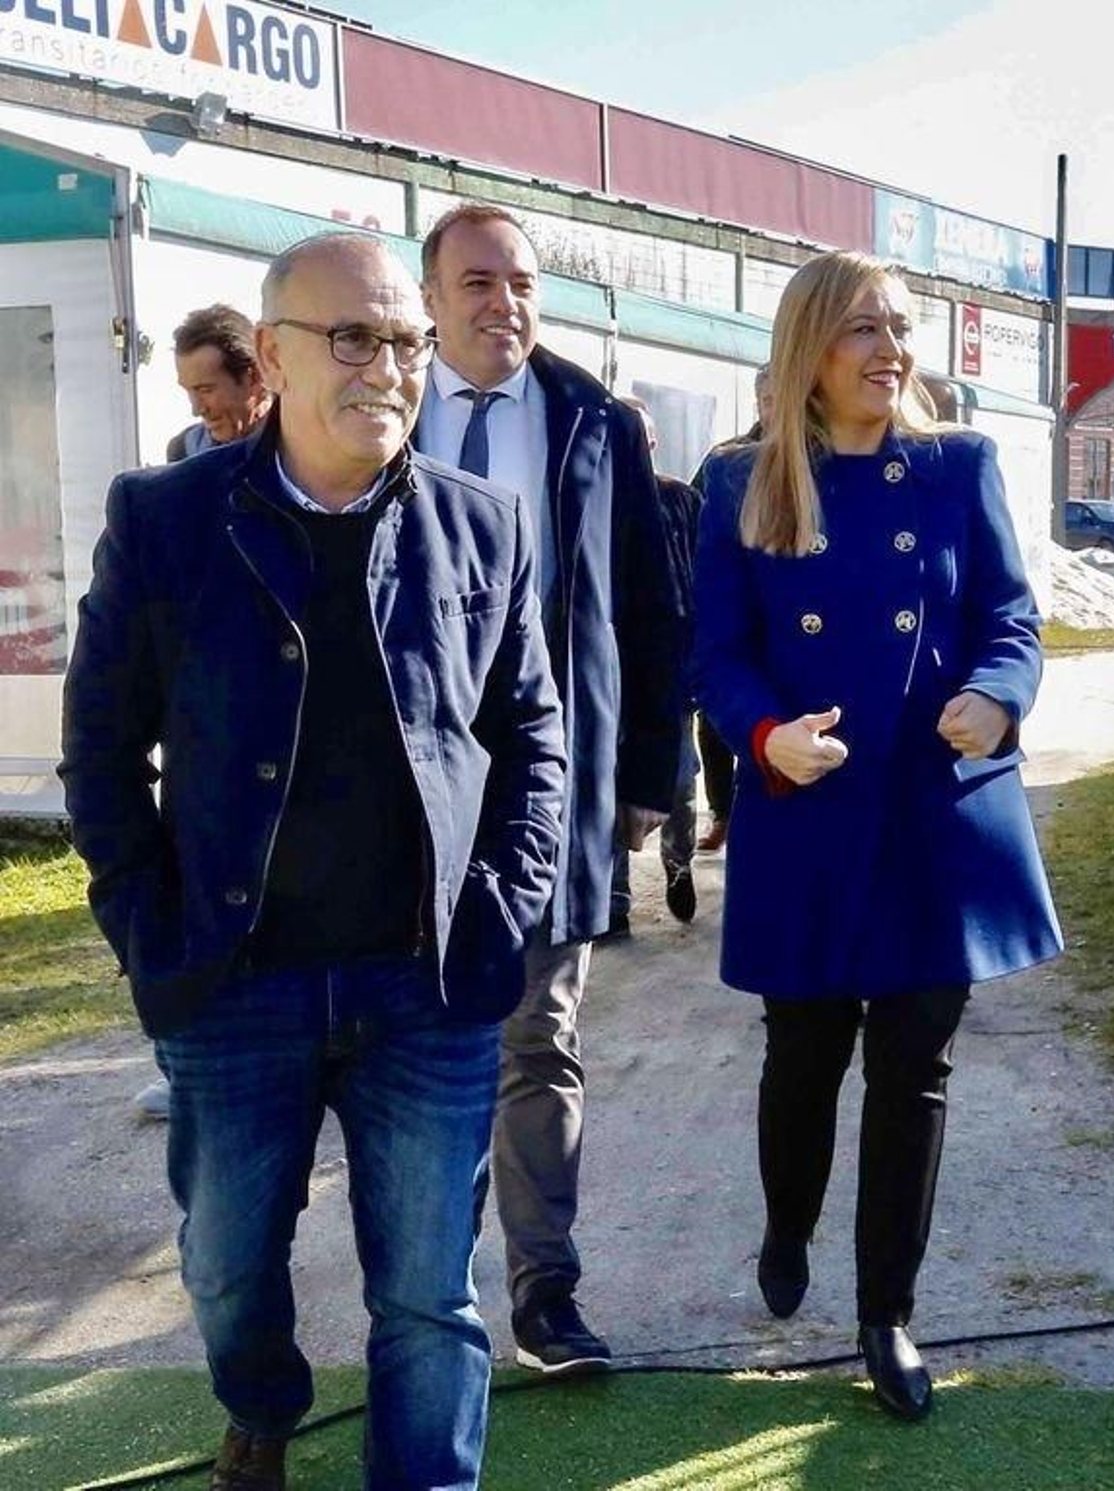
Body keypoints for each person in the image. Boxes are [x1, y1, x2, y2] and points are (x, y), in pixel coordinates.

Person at [59, 232, 567, 1491]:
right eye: (353, 338)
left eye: (406, 341)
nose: (387, 368)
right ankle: (262, 1406)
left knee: (429, 1297)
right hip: (234, 986)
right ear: (273, 356)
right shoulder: (167, 521)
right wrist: (149, 931)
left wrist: (498, 906)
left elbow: (533, 740)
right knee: (227, 1269)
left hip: (425, 989)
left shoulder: (482, 526)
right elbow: (101, 752)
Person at [693, 250, 1062, 1422]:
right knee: (804, 1054)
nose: (890, 349)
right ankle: (786, 1223)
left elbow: (1009, 616)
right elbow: (719, 654)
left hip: (930, 808)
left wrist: (998, 695)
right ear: (809, 346)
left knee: (915, 1071)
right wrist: (764, 737)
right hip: (809, 805)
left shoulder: (957, 466)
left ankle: (885, 1315)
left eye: (900, 326)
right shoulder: (739, 479)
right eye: (863, 327)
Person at [414, 203, 684, 1375]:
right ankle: (428, 1296)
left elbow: (652, 608)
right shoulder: (378, 405)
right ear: (429, 298)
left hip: (549, 781)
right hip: (402, 789)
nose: (503, 302)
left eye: (521, 282)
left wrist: (653, 774)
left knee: (540, 1038)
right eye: (477, 281)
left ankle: (545, 1295)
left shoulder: (591, 423)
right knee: (418, 1049)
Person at [133, 304, 278, 1124]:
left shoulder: (302, 455)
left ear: (255, 375)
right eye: (189, 391)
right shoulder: (179, 460)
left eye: (209, 388)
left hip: (276, 703)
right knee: (192, 886)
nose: (200, 407)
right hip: (202, 712)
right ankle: (184, 1058)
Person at [609, 394, 703, 931]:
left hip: (674, 666)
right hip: (612, 667)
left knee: (679, 781)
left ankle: (678, 862)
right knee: (609, 781)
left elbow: (708, 575)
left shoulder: (681, 500)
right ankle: (614, 900)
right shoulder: (598, 499)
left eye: (643, 441)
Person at [689, 364, 772, 852]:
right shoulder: (728, 462)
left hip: (783, 620)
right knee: (718, 718)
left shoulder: (822, 457)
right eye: (768, 399)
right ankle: (722, 811)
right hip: (736, 606)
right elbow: (695, 520)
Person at [166, 303, 274, 461]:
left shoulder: (303, 444)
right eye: (189, 391)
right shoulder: (184, 452)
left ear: (254, 378)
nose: (197, 410)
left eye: (205, 390)